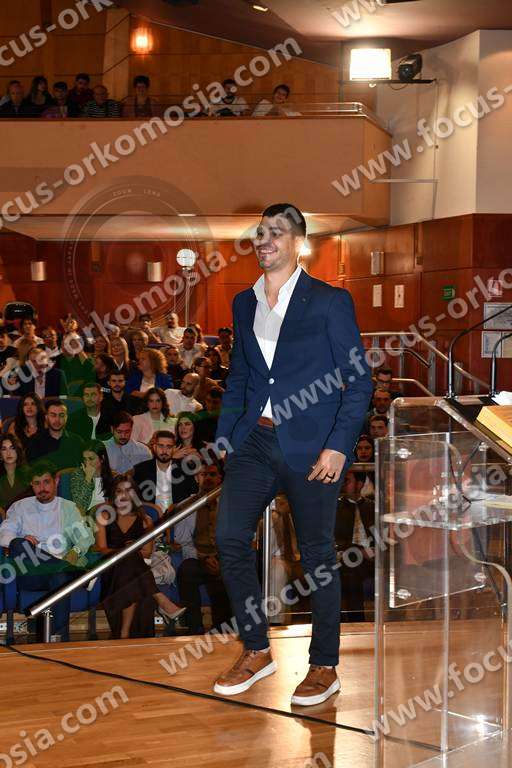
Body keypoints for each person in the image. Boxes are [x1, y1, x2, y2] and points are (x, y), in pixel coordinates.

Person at [213, 203, 372, 705]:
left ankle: (325, 664)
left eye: (275, 233)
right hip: (253, 441)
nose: (264, 241)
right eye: (260, 233)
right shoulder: (244, 302)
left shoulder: (329, 301)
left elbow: (359, 382)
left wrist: (338, 447)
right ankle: (256, 649)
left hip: (313, 449)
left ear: (298, 243)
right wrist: (226, 435)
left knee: (318, 556)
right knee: (228, 538)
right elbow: (241, 375)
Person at [0, 462, 95, 642]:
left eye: (46, 482)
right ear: (31, 484)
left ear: (56, 481)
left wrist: (75, 550)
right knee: (18, 544)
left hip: (57, 575)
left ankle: (59, 641)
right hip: (31, 573)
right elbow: (4, 535)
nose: (42, 488)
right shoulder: (20, 507)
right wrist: (21, 539)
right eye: (37, 483)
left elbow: (86, 537)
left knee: (60, 578)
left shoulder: (68, 507)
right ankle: (72, 571)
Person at [95, 474, 185, 639]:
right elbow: (102, 549)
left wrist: (131, 551)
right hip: (112, 570)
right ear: (113, 494)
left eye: (128, 491)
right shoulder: (105, 517)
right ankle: (160, 598)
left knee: (132, 563)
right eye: (119, 491)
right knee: (129, 558)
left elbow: (147, 552)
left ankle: (124, 632)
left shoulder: (145, 520)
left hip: (135, 571)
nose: (123, 495)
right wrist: (122, 551)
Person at [175, 461, 231, 634]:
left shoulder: (231, 504)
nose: (207, 478)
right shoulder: (186, 505)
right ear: (197, 478)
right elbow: (183, 542)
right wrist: (203, 557)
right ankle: (195, 627)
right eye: (203, 474)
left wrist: (221, 557)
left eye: (212, 474)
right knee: (185, 571)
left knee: (229, 571)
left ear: (220, 478)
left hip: (224, 556)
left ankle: (223, 630)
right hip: (198, 557)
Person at [335, 470, 375, 622]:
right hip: (347, 557)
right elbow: (336, 540)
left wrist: (376, 550)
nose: (344, 484)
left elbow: (383, 535)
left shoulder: (372, 507)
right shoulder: (336, 507)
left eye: (348, 480)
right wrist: (360, 551)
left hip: (372, 557)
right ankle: (356, 621)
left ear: (359, 484)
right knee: (352, 569)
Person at [133, 429, 197, 511]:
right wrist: (152, 507)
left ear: (174, 448)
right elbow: (134, 499)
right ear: (154, 447)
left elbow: (193, 495)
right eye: (161, 446)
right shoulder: (141, 469)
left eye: (169, 447)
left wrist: (178, 506)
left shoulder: (184, 468)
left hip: (179, 515)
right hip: (151, 516)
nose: (164, 451)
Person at [26, 399, 85, 470]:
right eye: (53, 415)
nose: (57, 419)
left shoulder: (77, 441)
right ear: (46, 417)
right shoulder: (35, 441)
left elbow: (82, 468)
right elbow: (31, 469)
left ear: (66, 417)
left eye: (61, 415)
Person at [70, 441, 114, 515]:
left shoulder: (113, 476)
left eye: (91, 459)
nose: (87, 463)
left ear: (102, 458)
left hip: (107, 515)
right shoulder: (77, 475)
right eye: (85, 459)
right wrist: (88, 479)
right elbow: (80, 506)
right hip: (86, 516)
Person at [0, 435, 31, 514]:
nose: (8, 453)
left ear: (18, 451)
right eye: (4, 449)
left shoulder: (28, 473)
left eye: (12, 448)